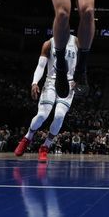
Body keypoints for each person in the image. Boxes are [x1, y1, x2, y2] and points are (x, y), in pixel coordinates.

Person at [14, 35, 78, 163]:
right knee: (42, 115)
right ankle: (27, 137)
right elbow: (41, 65)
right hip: (51, 82)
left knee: (59, 115)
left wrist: (80, 79)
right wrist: (34, 82)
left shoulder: (76, 41)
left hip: (69, 83)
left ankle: (45, 146)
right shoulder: (49, 43)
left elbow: (82, 63)